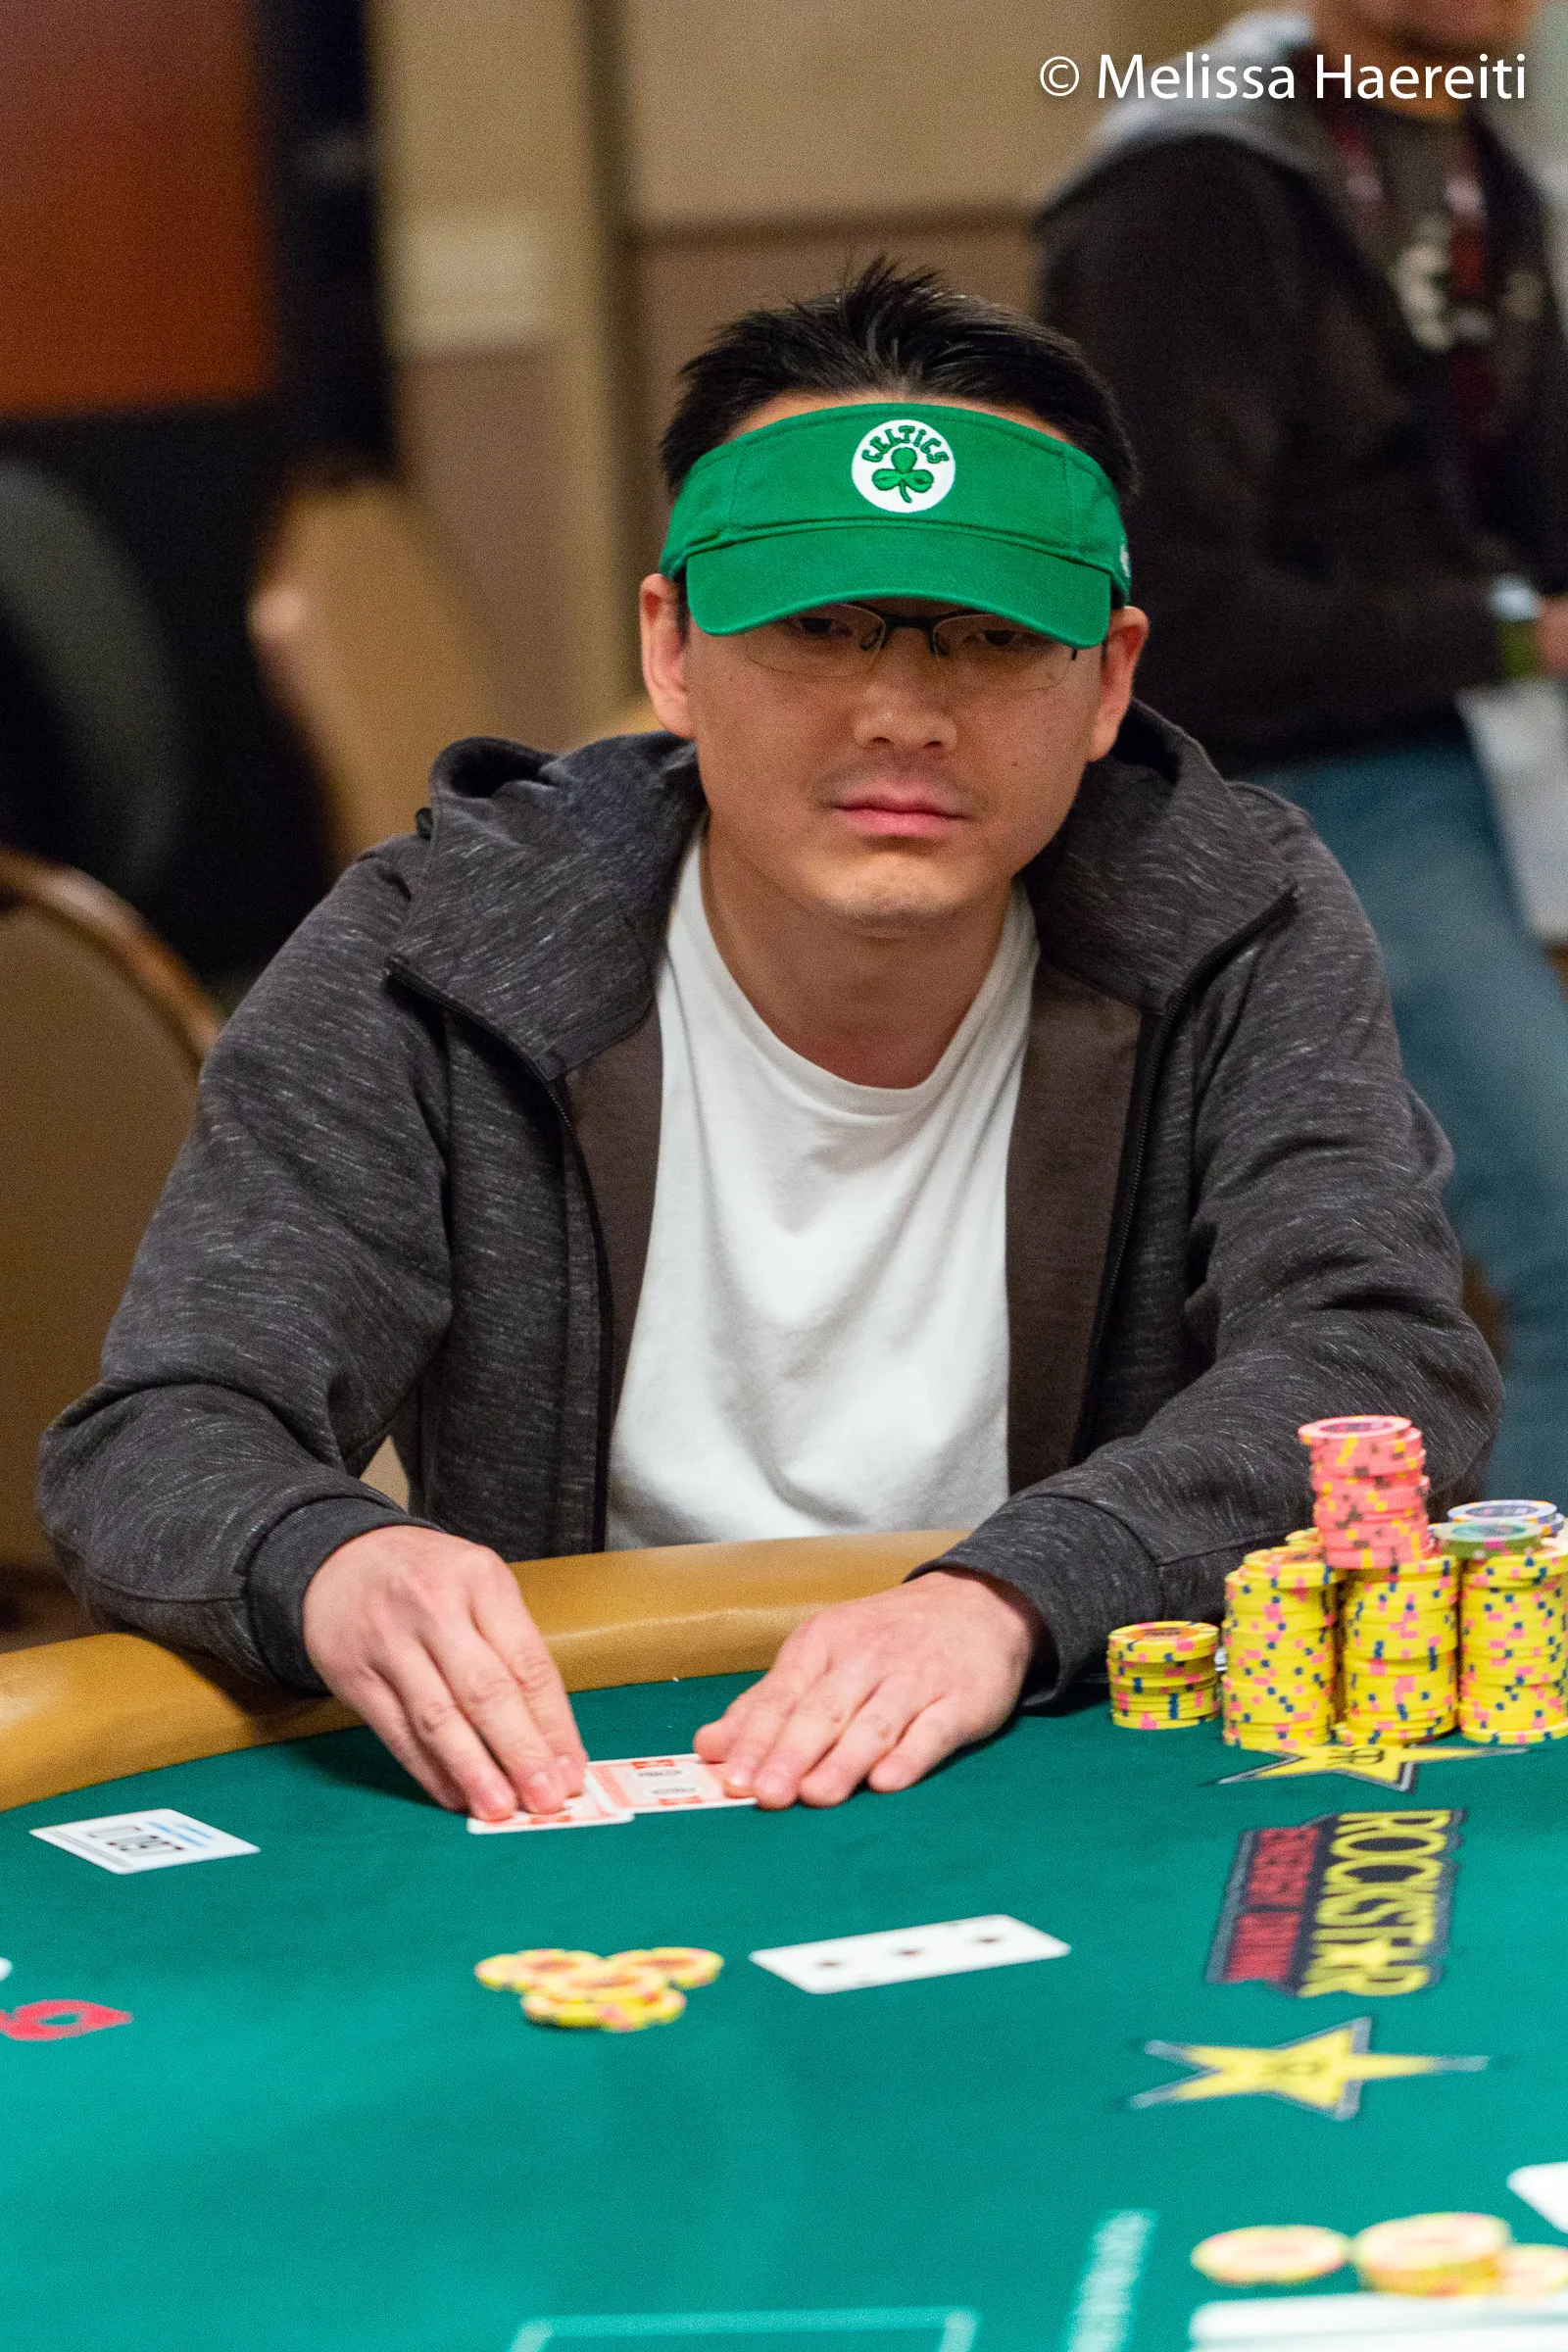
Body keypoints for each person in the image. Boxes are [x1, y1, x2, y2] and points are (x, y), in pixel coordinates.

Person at [37, 264, 1499, 1822]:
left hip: (1064, 1750)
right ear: (671, 649)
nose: (902, 714)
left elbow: (1376, 1355)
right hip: (581, 1780)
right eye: (819, 625)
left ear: (1109, 681)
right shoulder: (434, 946)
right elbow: (163, 1429)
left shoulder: (1238, 919)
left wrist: (1009, 1595)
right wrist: (331, 1558)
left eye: (991, 637)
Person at [1034, 0, 1568, 1499]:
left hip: (1448, 760)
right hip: (1271, 789)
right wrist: (1509, 633)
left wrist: (1513, 628)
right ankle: (1499, 1640)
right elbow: (1167, 613)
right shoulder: (1195, 180)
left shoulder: (1484, 167)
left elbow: (1533, 514)